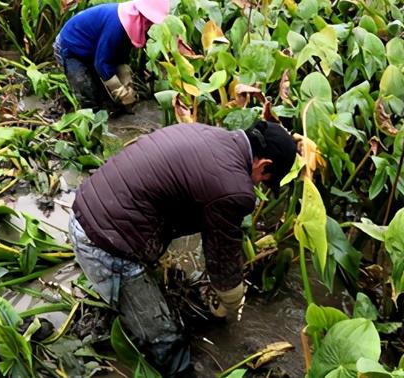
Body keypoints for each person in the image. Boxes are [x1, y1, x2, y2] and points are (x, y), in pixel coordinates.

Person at [68, 121, 297, 376]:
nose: (257, 187)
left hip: (88, 208)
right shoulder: (234, 187)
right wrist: (230, 304)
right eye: (263, 181)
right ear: (264, 165)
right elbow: (222, 257)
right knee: (165, 339)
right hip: (102, 244)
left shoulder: (207, 132)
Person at [53, 0, 170, 111]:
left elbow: (120, 57)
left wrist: (127, 83)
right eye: (149, 22)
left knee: (107, 100)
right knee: (89, 97)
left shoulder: (131, 23)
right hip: (71, 48)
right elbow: (102, 63)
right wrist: (121, 91)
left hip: (92, 49)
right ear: (143, 16)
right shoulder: (117, 25)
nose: (150, 26)